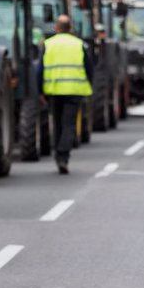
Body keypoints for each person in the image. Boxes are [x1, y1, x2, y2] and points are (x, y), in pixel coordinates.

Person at [37, 15, 93, 174]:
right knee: (69, 125)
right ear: (70, 28)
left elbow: (39, 70)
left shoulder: (48, 44)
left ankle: (59, 155)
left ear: (56, 28)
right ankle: (63, 155)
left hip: (54, 91)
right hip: (74, 90)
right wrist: (89, 86)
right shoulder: (79, 44)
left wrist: (40, 91)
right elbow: (89, 68)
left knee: (57, 123)